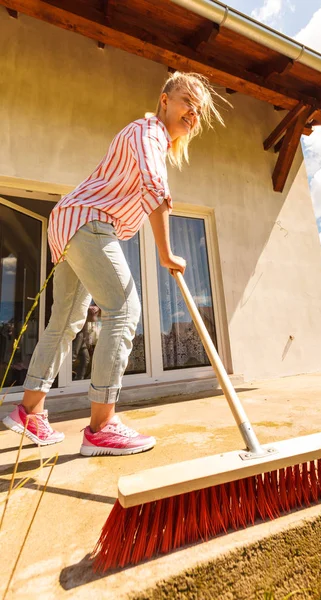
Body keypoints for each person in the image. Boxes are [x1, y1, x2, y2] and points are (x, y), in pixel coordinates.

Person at [2, 71, 225, 456]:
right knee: (124, 310)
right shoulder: (150, 132)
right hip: (88, 222)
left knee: (67, 320)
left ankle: (29, 410)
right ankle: (102, 426)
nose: (193, 112)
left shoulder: (147, 136)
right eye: (187, 101)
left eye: (199, 110)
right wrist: (165, 252)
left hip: (70, 221)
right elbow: (155, 188)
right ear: (165, 99)